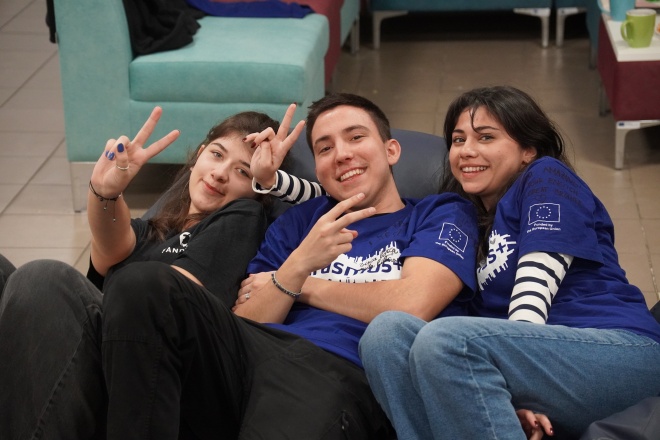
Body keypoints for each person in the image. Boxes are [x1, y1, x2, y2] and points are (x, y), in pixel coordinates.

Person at [93, 92, 480, 438]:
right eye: (324, 148)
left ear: (391, 150)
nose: (341, 154)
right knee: (142, 282)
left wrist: (299, 281)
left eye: (355, 137)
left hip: (338, 369)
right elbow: (247, 318)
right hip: (250, 356)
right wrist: (295, 268)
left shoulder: (440, 212)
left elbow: (411, 304)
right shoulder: (298, 222)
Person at [358, 85, 660, 440]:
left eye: (486, 137)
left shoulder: (546, 176)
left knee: (446, 340)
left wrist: (520, 383)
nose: (467, 150)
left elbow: (536, 288)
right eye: (458, 140)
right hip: (534, 361)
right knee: (386, 334)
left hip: (619, 352)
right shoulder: (465, 219)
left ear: (527, 150)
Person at [0, 106, 290, 440]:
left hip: (142, 372)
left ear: (258, 188)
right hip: (100, 362)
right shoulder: (159, 228)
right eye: (216, 154)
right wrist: (105, 192)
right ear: (198, 156)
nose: (220, 173)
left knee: (43, 280)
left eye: (241, 171)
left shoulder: (242, 217)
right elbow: (112, 249)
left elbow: (166, 301)